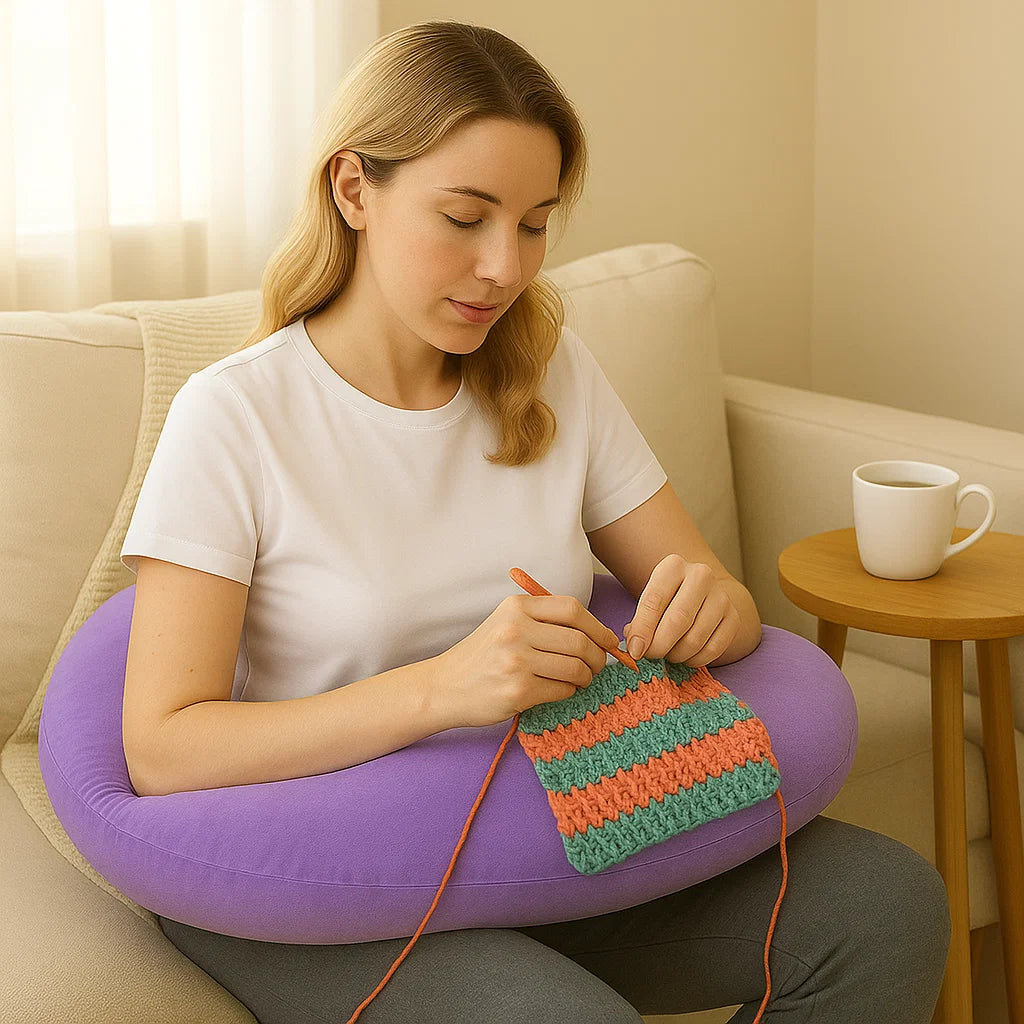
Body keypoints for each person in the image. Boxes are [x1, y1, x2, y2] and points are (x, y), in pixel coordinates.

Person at [120, 19, 951, 1024]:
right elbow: (163, 748)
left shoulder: (551, 372)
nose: (503, 267)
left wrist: (711, 607)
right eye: (464, 218)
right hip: (332, 890)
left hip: (545, 836)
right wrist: (440, 688)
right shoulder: (237, 415)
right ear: (353, 191)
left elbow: (705, 589)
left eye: (533, 223)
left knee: (886, 905)